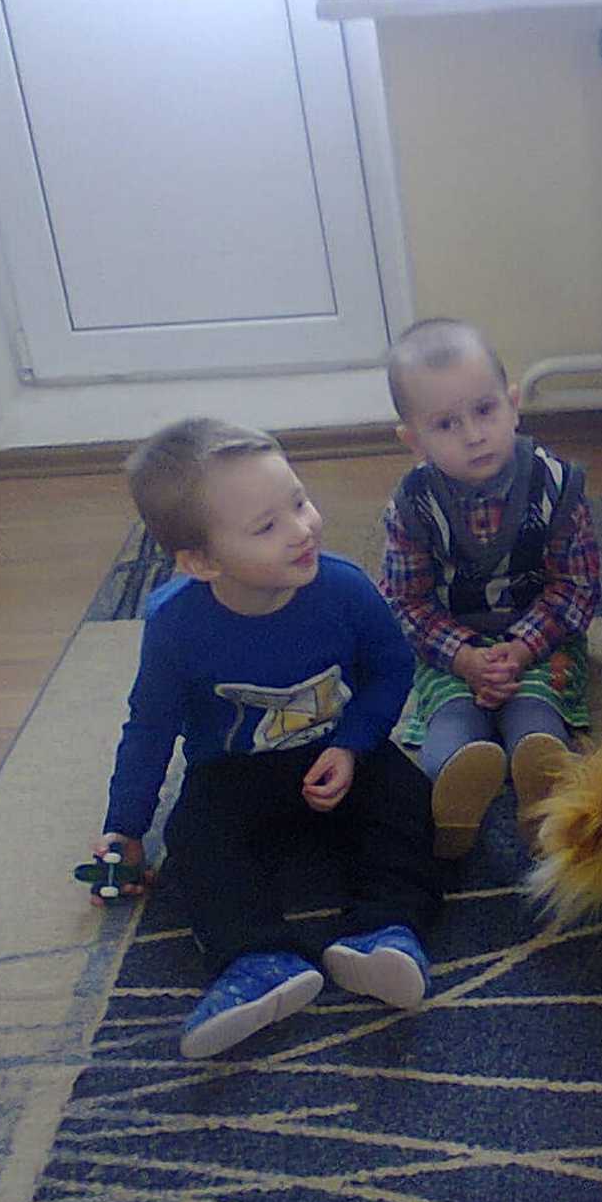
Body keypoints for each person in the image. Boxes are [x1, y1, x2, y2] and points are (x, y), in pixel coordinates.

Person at [96, 418, 441, 1060]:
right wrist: (124, 827)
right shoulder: (175, 627)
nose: (302, 529)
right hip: (233, 772)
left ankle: (383, 931)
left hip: (338, 752)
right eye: (266, 527)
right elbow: (148, 728)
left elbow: (393, 668)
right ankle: (256, 959)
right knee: (193, 836)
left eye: (299, 503)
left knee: (406, 797)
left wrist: (353, 744)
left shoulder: (345, 589)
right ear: (201, 561)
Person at [376, 318, 601, 858]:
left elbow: (576, 586)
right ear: (414, 441)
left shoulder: (555, 485)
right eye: (446, 424)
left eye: (485, 410)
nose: (474, 434)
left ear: (513, 405)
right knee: (453, 717)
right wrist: (464, 658)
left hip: (539, 639)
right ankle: (454, 800)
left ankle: (541, 793)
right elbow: (405, 602)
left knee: (535, 713)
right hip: (450, 646)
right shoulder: (412, 506)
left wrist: (519, 649)